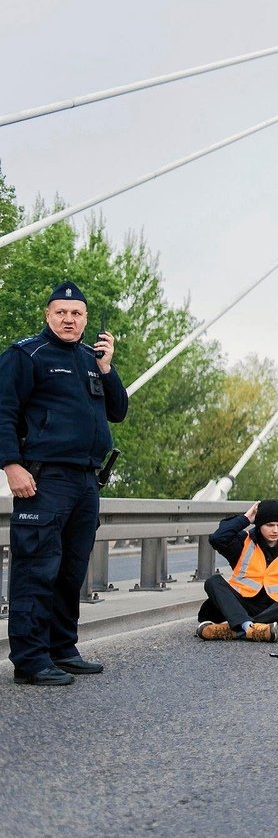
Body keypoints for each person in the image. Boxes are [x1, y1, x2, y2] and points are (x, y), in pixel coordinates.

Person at [0, 281, 127, 686]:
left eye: (77, 314)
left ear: (85, 319)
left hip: (86, 481)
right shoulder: (27, 355)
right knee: (37, 570)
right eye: (61, 313)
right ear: (47, 315)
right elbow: (2, 411)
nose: (69, 320)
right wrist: (11, 465)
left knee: (70, 571)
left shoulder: (93, 359)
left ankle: (61, 648)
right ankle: (31, 659)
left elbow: (119, 411)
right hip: (43, 478)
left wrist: (108, 370)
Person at [196, 499, 278, 642]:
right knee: (213, 581)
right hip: (243, 605)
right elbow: (218, 538)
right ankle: (250, 628)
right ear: (259, 524)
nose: (275, 530)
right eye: (269, 525)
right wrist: (246, 518)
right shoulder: (243, 542)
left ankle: (238, 629)